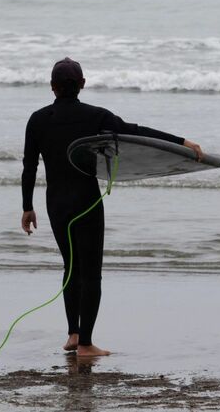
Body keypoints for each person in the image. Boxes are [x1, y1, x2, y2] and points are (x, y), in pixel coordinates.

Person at [20, 58, 204, 357]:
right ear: (83, 84)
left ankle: (73, 334)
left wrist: (27, 206)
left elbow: (29, 166)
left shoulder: (38, 119)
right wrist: (182, 142)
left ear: (52, 87)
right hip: (86, 201)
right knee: (91, 272)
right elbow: (137, 132)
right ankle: (86, 344)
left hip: (55, 203)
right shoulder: (97, 116)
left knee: (71, 267)